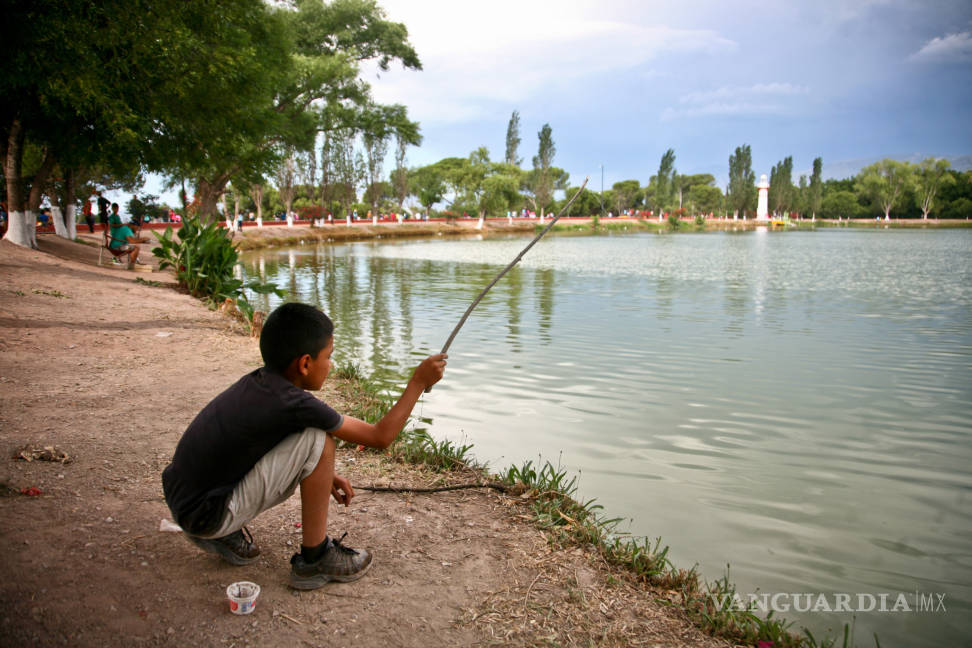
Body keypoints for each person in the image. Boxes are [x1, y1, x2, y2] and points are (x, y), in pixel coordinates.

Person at [161, 303, 447, 589]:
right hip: (205, 515)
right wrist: (418, 382)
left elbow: (247, 447)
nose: (331, 365)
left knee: (312, 436)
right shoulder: (295, 403)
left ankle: (223, 532)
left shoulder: (260, 384)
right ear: (305, 363)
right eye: (329, 357)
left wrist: (324, 476)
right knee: (319, 437)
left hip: (185, 500)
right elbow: (380, 437)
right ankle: (315, 558)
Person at [108, 202, 150, 268]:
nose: (137, 229)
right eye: (137, 227)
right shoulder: (127, 229)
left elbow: (132, 240)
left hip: (114, 246)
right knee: (135, 247)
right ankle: (131, 265)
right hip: (115, 248)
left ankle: (133, 262)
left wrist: (142, 241)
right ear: (133, 225)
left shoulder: (126, 228)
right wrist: (143, 239)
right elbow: (132, 241)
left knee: (133, 246)